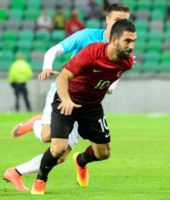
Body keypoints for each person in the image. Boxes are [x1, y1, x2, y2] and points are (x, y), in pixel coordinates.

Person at [3, 3, 131, 191]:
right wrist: (47, 67)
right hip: (64, 93)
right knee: (47, 136)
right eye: (118, 20)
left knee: (60, 154)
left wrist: (109, 86)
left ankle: (15, 172)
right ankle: (35, 124)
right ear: (108, 19)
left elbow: (117, 75)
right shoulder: (86, 36)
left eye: (126, 20)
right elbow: (54, 50)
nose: (122, 24)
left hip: (86, 103)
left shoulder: (124, 47)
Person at [30, 19, 136, 195]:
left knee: (104, 153)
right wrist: (65, 100)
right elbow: (62, 78)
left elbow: (106, 77)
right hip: (67, 100)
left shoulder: (127, 62)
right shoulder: (92, 52)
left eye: (134, 41)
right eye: (128, 41)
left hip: (92, 107)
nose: (132, 46)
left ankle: (80, 160)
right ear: (114, 40)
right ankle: (41, 179)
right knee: (58, 148)